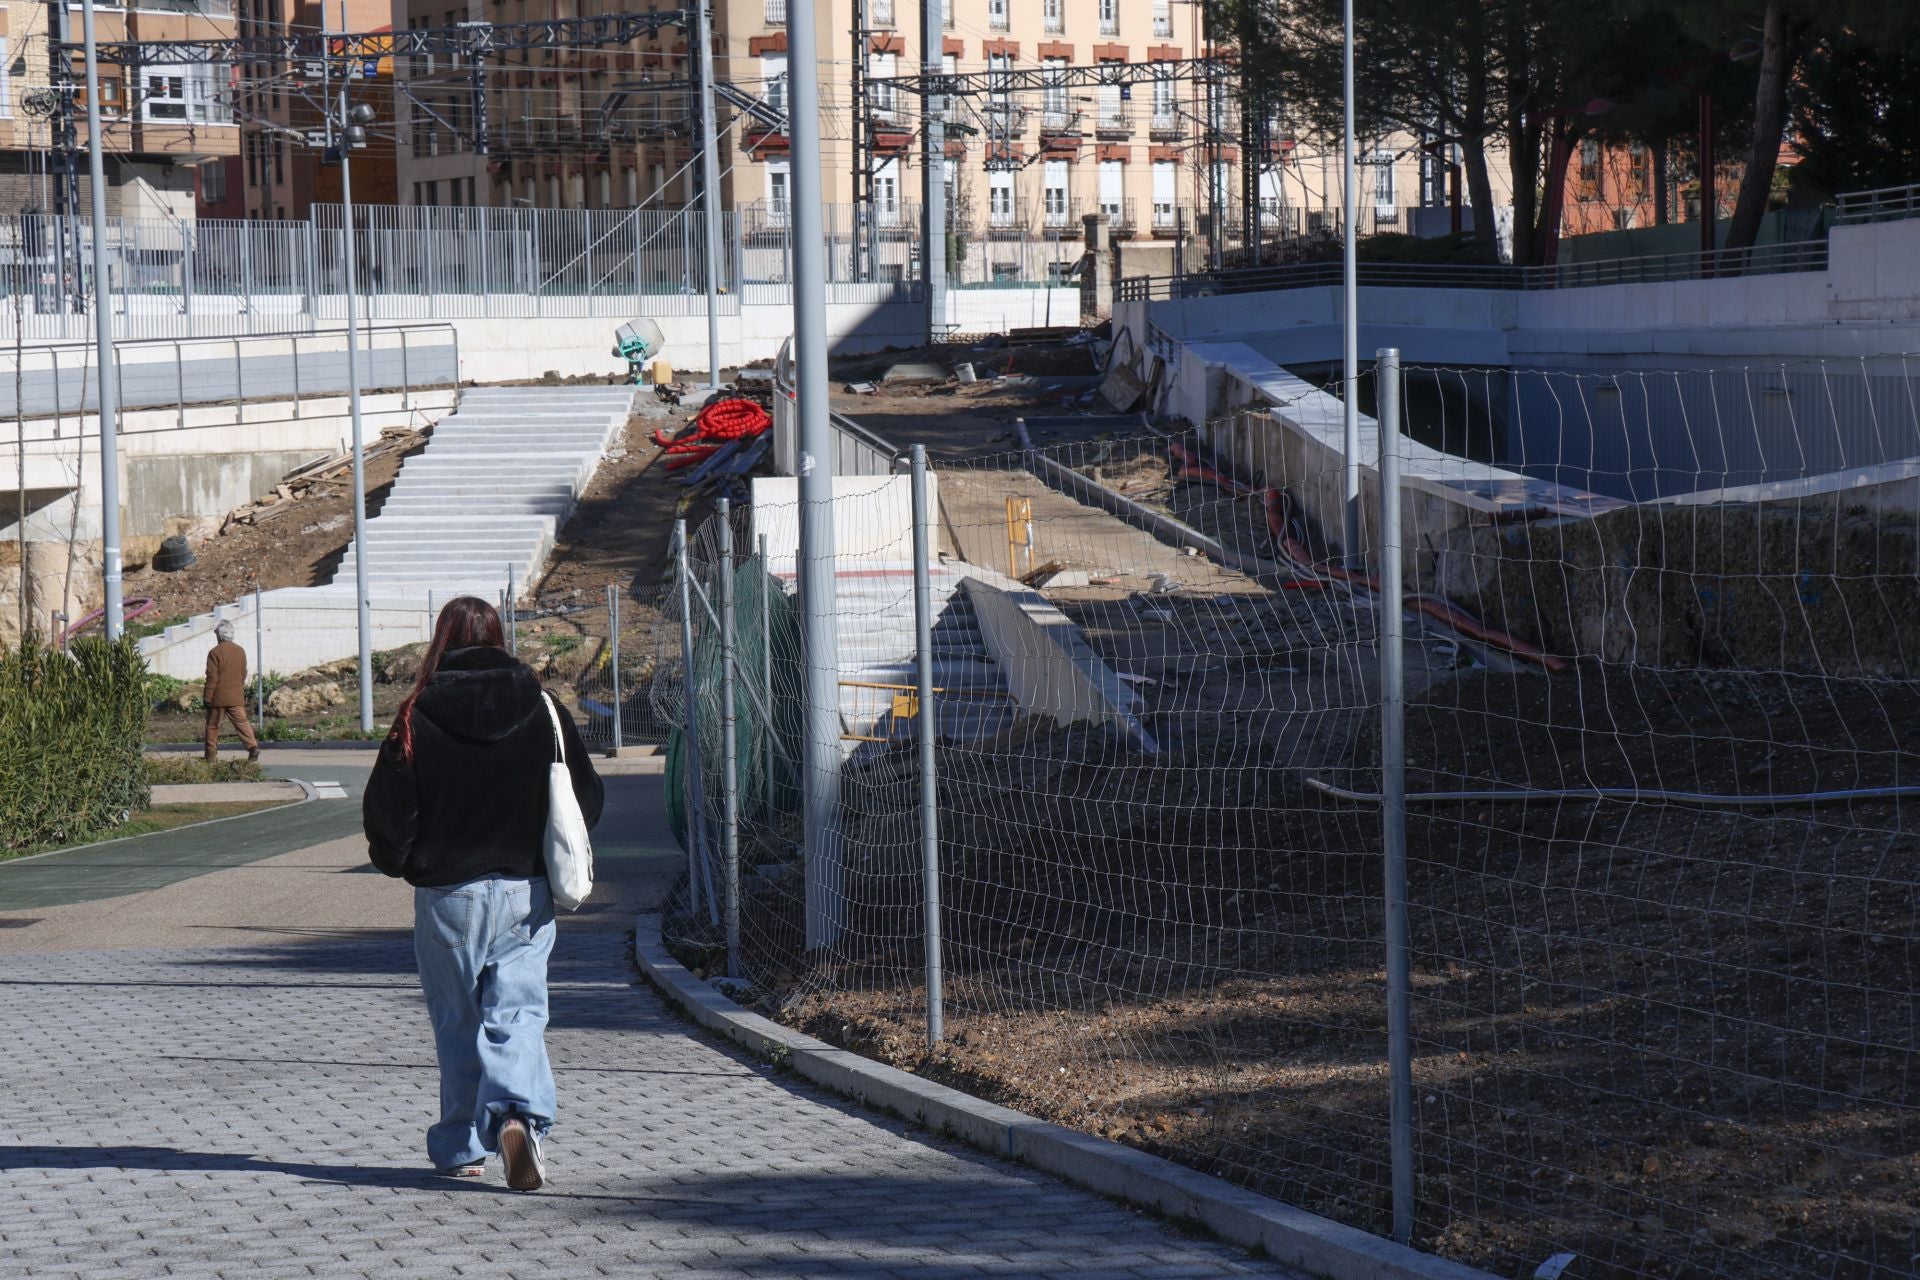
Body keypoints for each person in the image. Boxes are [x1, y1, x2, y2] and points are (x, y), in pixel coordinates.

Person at [362, 596, 603, 1190]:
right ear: (499, 637)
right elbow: (587, 799)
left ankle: (462, 1145)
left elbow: (387, 816)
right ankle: (519, 1115)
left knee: (457, 1021)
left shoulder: (415, 713)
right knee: (517, 1013)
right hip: (525, 890)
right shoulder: (544, 707)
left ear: (442, 641)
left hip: (447, 897)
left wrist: (401, 860)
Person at [203, 621, 259, 763]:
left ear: (220, 636)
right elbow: (243, 673)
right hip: (236, 695)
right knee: (242, 723)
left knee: (213, 726)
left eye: (216, 634)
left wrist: (208, 697)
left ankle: (210, 756)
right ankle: (252, 747)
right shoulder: (240, 651)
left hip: (218, 697)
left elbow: (212, 677)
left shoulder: (214, 652)